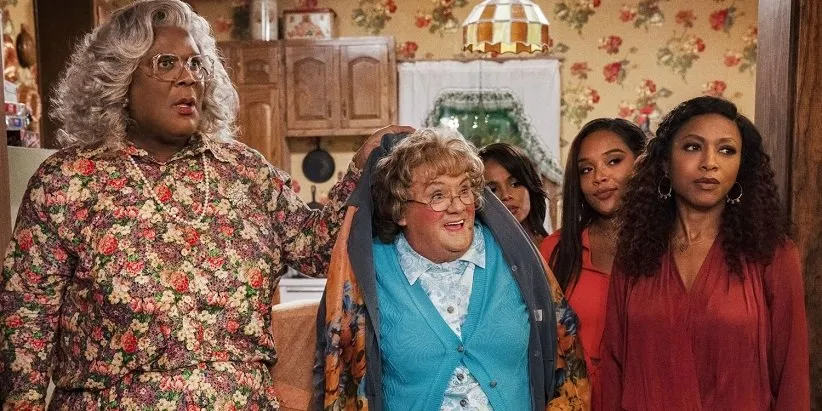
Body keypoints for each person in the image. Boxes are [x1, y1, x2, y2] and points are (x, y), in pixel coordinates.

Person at [0, 1, 412, 409]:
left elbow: (318, 249)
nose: (188, 77)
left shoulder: (244, 170)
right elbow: (25, 323)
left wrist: (362, 165)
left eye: (196, 64)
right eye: (166, 63)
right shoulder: (67, 181)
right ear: (119, 78)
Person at [313, 128, 590, 410]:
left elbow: (568, 369)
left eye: (465, 191)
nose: (457, 206)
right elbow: (343, 384)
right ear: (400, 210)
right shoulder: (370, 271)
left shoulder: (514, 257)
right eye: (438, 195)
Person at [600, 96, 809, 410]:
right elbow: (613, 365)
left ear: (740, 167)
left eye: (726, 150)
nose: (710, 162)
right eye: (693, 147)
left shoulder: (773, 253)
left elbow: (792, 374)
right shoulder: (635, 251)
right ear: (665, 163)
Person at [538, 118, 645, 409]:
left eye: (613, 161)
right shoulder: (556, 250)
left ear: (642, 164)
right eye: (586, 169)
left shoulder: (671, 248)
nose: (599, 176)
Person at [479, 142, 551, 245]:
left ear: (530, 186)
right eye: (493, 190)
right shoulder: (482, 251)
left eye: (515, 184)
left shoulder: (557, 246)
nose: (506, 195)